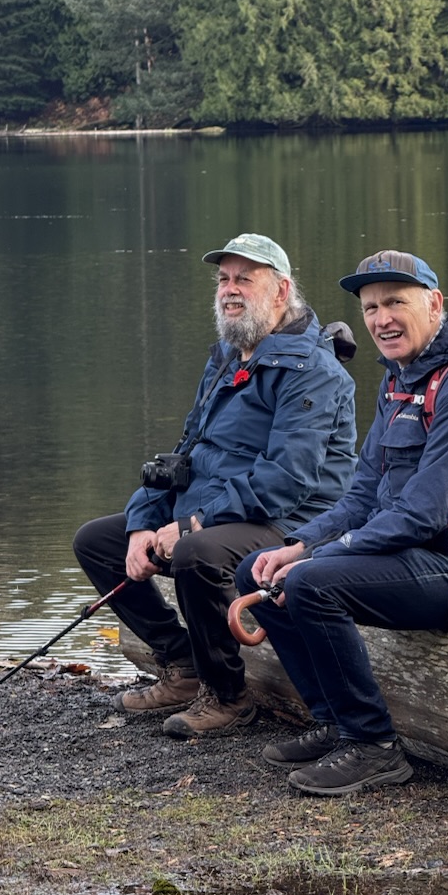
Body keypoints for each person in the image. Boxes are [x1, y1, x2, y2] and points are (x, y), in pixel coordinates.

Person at [235, 249, 448, 796]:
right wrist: (299, 545)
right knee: (258, 569)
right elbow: (362, 496)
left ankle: (373, 745)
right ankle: (332, 722)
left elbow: (424, 513)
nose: (380, 319)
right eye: (370, 308)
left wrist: (317, 560)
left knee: (311, 584)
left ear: (435, 304)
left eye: (395, 302)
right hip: (414, 551)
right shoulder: (400, 380)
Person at [74, 233, 357, 737]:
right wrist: (144, 523)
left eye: (245, 279)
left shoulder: (315, 370)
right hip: (221, 510)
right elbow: (184, 454)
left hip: (292, 520)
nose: (230, 289)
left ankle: (228, 696)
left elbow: (286, 479)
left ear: (280, 290)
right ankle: (181, 665)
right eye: (224, 279)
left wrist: (192, 523)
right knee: (98, 541)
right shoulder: (228, 357)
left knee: (197, 552)